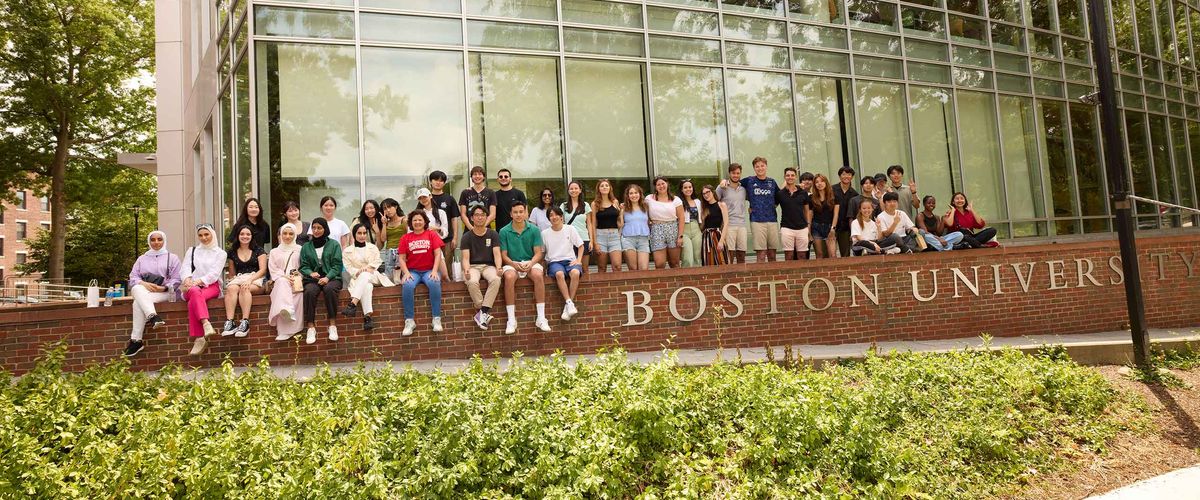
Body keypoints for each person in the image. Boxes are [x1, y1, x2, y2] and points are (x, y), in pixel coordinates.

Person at [122, 230, 181, 357]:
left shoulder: (173, 258)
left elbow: (177, 279)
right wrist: (144, 284)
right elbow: (133, 277)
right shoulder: (142, 259)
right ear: (149, 241)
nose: (156, 242)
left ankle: (136, 340)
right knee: (137, 289)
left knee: (138, 302)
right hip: (146, 292)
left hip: (166, 293)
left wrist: (163, 288)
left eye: (159, 239)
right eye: (153, 240)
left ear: (164, 240)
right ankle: (152, 316)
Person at [499, 200, 550, 334]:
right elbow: (503, 255)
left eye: (521, 212)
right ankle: (511, 320)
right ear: (510, 214)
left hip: (530, 262)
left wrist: (531, 263)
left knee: (539, 275)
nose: (518, 214)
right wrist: (514, 264)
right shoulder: (504, 231)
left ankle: (541, 317)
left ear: (526, 213)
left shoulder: (534, 229)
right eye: (515, 212)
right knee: (509, 277)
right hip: (512, 263)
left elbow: (538, 253)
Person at [397, 211, 445, 336]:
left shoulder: (431, 235)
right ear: (411, 223)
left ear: (425, 222)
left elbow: (437, 254)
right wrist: (406, 273)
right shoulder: (405, 238)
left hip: (429, 270)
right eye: (414, 220)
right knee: (407, 285)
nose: (417, 222)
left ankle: (436, 319)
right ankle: (409, 321)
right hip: (413, 271)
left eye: (420, 220)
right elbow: (401, 258)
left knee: (434, 282)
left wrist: (435, 271)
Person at [181, 224, 226, 356]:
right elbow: (185, 268)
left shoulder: (220, 253)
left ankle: (199, 338)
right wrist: (187, 279)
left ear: (212, 234)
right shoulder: (192, 250)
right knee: (195, 292)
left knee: (192, 302)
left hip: (211, 286)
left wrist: (198, 281)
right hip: (192, 286)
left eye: (206, 234)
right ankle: (205, 323)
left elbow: (214, 273)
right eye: (200, 235)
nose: (204, 238)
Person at [341, 223, 393, 331]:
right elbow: (349, 268)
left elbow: (378, 261)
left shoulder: (373, 247)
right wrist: (360, 271)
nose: (362, 235)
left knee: (366, 275)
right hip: (357, 278)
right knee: (367, 286)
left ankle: (353, 303)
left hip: (374, 275)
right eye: (359, 233)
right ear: (354, 234)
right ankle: (368, 317)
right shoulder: (347, 251)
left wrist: (368, 268)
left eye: (364, 233)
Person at [300, 217, 344, 344]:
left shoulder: (334, 244)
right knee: (309, 291)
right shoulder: (306, 247)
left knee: (329, 289)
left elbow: (337, 265)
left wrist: (327, 277)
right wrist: (310, 273)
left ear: (325, 229)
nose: (316, 230)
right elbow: (303, 266)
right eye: (314, 228)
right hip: (313, 279)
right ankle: (310, 327)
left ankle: (332, 325)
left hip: (332, 278)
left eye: (319, 228)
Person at [220, 225, 268, 337]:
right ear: (238, 235)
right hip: (240, 278)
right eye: (242, 234)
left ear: (252, 236)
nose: (245, 236)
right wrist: (232, 280)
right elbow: (232, 273)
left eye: (248, 234)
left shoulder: (259, 250)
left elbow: (263, 270)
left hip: (256, 279)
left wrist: (250, 280)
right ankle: (230, 322)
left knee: (244, 288)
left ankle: (245, 322)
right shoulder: (232, 251)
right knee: (231, 288)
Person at [460, 205, 502, 330]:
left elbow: (497, 254)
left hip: (488, 265)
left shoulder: (493, 234)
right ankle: (483, 312)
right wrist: (466, 270)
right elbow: (465, 258)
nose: (480, 217)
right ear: (472, 218)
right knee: (471, 281)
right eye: (477, 215)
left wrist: (499, 267)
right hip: (472, 266)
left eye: (482, 215)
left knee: (496, 279)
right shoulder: (466, 237)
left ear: (486, 217)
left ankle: (482, 312)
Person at [541, 206, 584, 321]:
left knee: (575, 273)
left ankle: (568, 305)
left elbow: (580, 245)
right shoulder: (545, 233)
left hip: (570, 260)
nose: (554, 217)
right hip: (554, 262)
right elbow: (542, 252)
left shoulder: (570, 229)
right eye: (551, 215)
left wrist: (578, 260)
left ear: (561, 217)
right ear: (549, 219)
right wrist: (543, 269)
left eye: (556, 215)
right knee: (559, 274)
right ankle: (569, 303)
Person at [268, 223, 306, 341]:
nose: (287, 236)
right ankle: (284, 325)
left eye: (291, 234)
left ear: (295, 235)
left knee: (298, 295)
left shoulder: (300, 249)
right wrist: (285, 277)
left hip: (296, 281)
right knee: (281, 283)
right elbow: (273, 269)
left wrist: (297, 276)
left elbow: (304, 266)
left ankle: (293, 326)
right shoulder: (274, 251)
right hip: (280, 281)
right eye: (285, 233)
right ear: (280, 235)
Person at [739, 157, 780, 262]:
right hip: (757, 221)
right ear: (754, 168)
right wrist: (724, 182)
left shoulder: (772, 182)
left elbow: (779, 197)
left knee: (772, 254)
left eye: (762, 166)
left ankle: (774, 277)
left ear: (766, 166)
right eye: (757, 166)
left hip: (772, 220)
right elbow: (734, 182)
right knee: (761, 254)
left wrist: (771, 206)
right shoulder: (749, 180)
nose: (760, 168)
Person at [647, 176, 684, 269]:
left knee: (674, 263)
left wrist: (680, 236)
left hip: (673, 229)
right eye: (658, 184)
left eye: (663, 183)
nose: (661, 186)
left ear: (667, 184)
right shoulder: (649, 199)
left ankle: (677, 283)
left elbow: (681, 218)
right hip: (656, 229)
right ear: (655, 187)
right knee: (659, 263)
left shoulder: (676, 199)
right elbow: (642, 212)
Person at [416, 187, 452, 281]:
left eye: (425, 197)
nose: (423, 200)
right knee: (427, 276)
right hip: (421, 246)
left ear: (430, 196)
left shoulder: (441, 213)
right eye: (420, 198)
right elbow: (411, 231)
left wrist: (437, 229)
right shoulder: (417, 214)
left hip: (436, 246)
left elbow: (445, 232)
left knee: (444, 275)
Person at [776, 168, 812, 261]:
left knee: (802, 256)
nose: (790, 177)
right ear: (784, 177)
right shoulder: (780, 193)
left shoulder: (803, 193)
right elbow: (773, 206)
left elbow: (807, 210)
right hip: (786, 227)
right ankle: (789, 275)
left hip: (802, 228)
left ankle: (802, 275)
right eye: (788, 175)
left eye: (792, 175)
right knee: (789, 256)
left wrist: (808, 226)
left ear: (796, 177)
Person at [716, 163, 749, 263]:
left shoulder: (743, 189)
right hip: (729, 225)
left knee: (741, 254)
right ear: (729, 173)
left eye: (738, 173)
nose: (736, 175)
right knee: (729, 255)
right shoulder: (722, 187)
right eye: (733, 173)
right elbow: (714, 202)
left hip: (742, 225)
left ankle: (741, 276)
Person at [427, 170, 461, 264]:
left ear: (444, 183)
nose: (438, 182)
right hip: (428, 240)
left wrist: (455, 238)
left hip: (447, 239)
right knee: (430, 266)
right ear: (430, 181)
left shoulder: (449, 199)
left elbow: (454, 219)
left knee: (447, 267)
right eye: (436, 180)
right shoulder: (425, 198)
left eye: (441, 180)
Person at [591, 179, 623, 272]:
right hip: (600, 237)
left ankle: (617, 287)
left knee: (617, 266)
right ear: (599, 189)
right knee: (602, 267)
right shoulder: (595, 204)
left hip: (615, 236)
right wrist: (595, 243)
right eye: (602, 186)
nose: (604, 187)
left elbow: (620, 222)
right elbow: (593, 224)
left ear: (610, 188)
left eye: (606, 185)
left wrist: (621, 211)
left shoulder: (615, 202)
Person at [561, 180, 592, 274]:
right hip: (569, 239)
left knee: (585, 268)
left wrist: (591, 241)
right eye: (571, 188)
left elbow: (589, 223)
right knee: (572, 267)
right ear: (568, 191)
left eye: (576, 188)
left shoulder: (585, 205)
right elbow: (561, 223)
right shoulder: (564, 206)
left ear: (580, 190)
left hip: (584, 238)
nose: (573, 190)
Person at [619, 184, 651, 271]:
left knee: (644, 269)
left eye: (636, 193)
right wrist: (621, 211)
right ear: (628, 196)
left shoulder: (646, 206)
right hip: (628, 239)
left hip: (643, 239)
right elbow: (620, 224)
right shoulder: (624, 207)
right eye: (631, 193)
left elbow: (649, 221)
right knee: (633, 268)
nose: (634, 195)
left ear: (640, 194)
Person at [459, 165, 497, 230]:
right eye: (475, 174)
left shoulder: (491, 192)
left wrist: (481, 227)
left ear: (484, 177)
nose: (477, 176)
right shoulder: (465, 192)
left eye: (480, 174)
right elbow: (463, 214)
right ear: (471, 177)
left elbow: (493, 214)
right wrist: (472, 228)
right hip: (469, 230)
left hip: (486, 229)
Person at [699, 185, 729, 266]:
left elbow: (726, 223)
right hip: (706, 237)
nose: (706, 195)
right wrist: (703, 219)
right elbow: (702, 227)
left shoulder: (721, 205)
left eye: (707, 192)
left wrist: (721, 241)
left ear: (713, 192)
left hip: (718, 235)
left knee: (721, 260)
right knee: (708, 261)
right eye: (703, 193)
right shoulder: (703, 208)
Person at [810, 174, 838, 259]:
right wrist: (808, 231)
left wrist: (833, 228)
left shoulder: (834, 196)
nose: (819, 183)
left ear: (826, 182)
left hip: (829, 226)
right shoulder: (811, 198)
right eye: (817, 182)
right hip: (816, 227)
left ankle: (834, 272)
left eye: (822, 181)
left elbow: (836, 214)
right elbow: (810, 215)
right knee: (819, 254)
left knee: (832, 255)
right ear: (814, 184)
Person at [832, 166, 858, 257]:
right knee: (830, 254)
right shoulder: (832, 189)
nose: (846, 176)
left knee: (845, 254)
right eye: (843, 174)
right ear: (839, 176)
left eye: (849, 174)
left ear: (852, 177)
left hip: (846, 228)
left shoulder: (854, 194)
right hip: (831, 226)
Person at [679, 180, 703, 267]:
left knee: (697, 257)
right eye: (685, 187)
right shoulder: (679, 202)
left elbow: (701, 217)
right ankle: (686, 279)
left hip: (696, 228)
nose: (688, 189)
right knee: (687, 257)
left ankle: (698, 279)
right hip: (684, 230)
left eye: (690, 187)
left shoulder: (698, 201)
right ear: (681, 190)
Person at [380, 198, 406, 279]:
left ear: (396, 207)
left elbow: (410, 235)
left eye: (389, 207)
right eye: (385, 208)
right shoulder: (386, 223)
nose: (388, 210)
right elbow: (383, 239)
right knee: (390, 276)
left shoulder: (404, 220)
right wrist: (384, 224)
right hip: (389, 252)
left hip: (402, 251)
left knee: (402, 276)